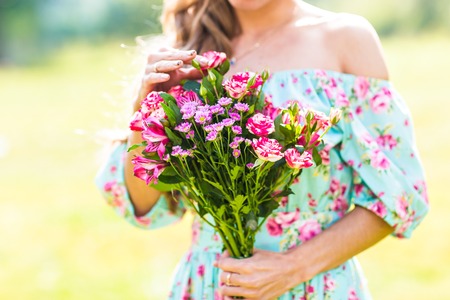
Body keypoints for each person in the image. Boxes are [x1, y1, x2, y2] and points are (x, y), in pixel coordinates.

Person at [96, 0, 429, 299]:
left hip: (314, 286)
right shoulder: (187, 53)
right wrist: (145, 108)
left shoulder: (345, 39)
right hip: (212, 285)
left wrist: (293, 268)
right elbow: (142, 204)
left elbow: (396, 195)